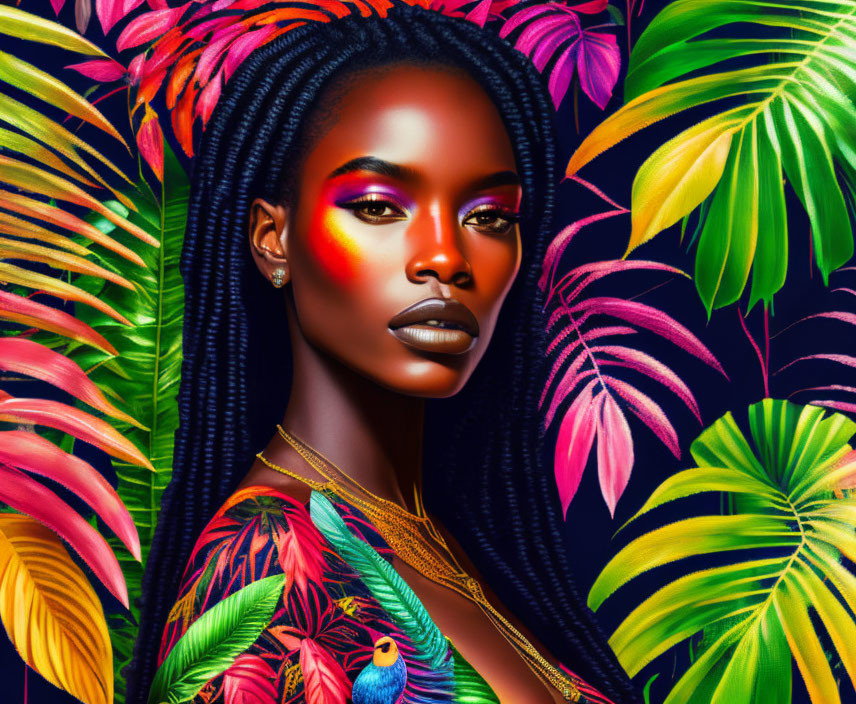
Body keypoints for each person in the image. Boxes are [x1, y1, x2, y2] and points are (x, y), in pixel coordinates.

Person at [126, 3, 639, 702]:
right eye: (378, 206)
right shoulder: (267, 568)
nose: (445, 258)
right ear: (273, 239)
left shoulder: (435, 536)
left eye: (488, 217)